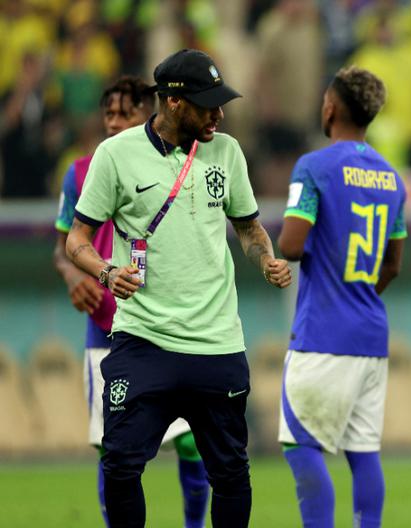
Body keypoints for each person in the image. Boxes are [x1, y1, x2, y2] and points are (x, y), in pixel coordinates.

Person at [65, 48, 292, 528]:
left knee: (231, 473)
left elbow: (249, 229)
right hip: (144, 340)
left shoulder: (227, 152)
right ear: (172, 102)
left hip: (217, 343)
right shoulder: (115, 155)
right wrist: (106, 273)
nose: (219, 113)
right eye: (208, 103)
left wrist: (266, 259)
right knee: (121, 465)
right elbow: (76, 240)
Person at [53, 75, 210, 527]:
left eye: (126, 113)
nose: (115, 122)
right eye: (108, 114)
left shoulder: (182, 168)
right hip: (105, 326)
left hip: (167, 327)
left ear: (150, 116)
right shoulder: (80, 173)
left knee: (190, 441)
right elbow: (64, 245)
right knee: (112, 445)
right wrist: (70, 276)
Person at [277, 66, 406, 528]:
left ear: (330, 107)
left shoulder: (314, 167)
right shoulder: (392, 178)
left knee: (301, 446)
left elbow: (291, 245)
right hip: (371, 336)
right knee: (363, 452)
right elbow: (392, 265)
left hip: (322, 336)